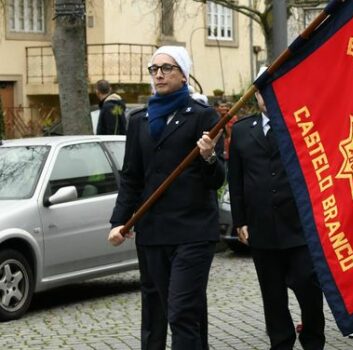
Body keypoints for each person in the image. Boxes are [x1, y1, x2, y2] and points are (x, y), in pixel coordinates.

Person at [107, 46, 225, 350]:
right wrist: (120, 220)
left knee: (181, 309)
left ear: (184, 76)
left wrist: (209, 156)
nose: (159, 74)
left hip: (193, 231)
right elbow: (131, 176)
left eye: (167, 68)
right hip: (153, 230)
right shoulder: (139, 120)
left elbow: (217, 179)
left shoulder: (203, 117)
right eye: (154, 68)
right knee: (156, 309)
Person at [227, 68, 326, 349]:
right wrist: (240, 220)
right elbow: (236, 179)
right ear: (257, 95)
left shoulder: (302, 126)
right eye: (263, 91)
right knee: (272, 294)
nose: (268, 96)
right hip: (262, 228)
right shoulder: (244, 130)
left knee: (308, 287)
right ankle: (280, 341)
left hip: (300, 227)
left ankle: (313, 338)